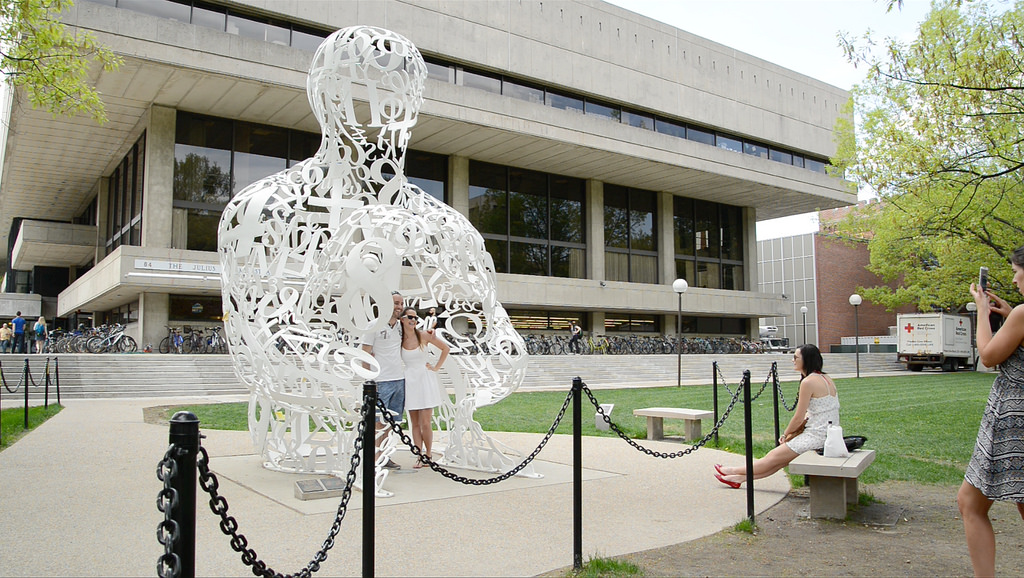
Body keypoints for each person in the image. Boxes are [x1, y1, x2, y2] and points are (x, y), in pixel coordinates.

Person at [960, 247, 1024, 577]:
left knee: (970, 503)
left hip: (1014, 420)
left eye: (1017, 271)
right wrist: (1011, 313)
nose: (1014, 278)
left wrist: (983, 312)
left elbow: (988, 356)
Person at [713, 344, 839, 487]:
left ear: (806, 360)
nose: (793, 360)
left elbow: (799, 417)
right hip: (827, 435)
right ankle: (737, 479)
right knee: (778, 462)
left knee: (771, 458)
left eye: (796, 357)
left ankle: (730, 470)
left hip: (815, 437)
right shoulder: (826, 378)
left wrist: (786, 435)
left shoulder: (808, 382)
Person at [360, 291, 407, 470]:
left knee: (391, 422)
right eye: (396, 303)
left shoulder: (401, 327)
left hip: (398, 380)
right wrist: (369, 379)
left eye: (401, 303)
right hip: (381, 381)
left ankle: (385, 456)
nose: (399, 307)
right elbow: (365, 352)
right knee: (378, 422)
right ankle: (374, 457)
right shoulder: (374, 325)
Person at [399, 306, 450, 468]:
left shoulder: (424, 335)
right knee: (414, 423)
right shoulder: (398, 339)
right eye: (409, 317)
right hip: (410, 380)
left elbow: (445, 348)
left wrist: (436, 367)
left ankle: (428, 453)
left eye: (415, 318)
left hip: (425, 379)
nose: (413, 320)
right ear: (402, 319)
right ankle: (419, 454)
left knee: (425, 422)